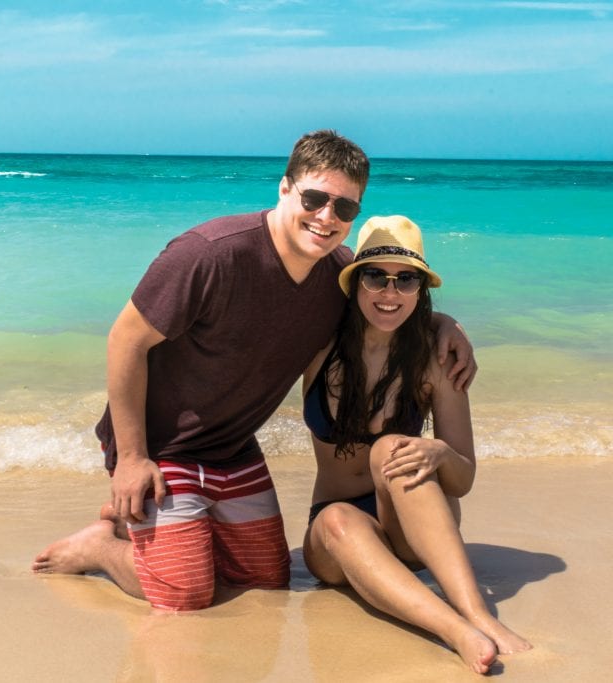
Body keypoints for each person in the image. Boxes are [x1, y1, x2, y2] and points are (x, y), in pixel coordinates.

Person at [32, 130, 476, 612]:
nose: (327, 217)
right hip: (162, 446)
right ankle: (101, 545)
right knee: (186, 592)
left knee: (267, 580)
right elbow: (125, 340)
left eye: (345, 208)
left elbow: (388, 295)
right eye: (314, 198)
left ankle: (174, 533)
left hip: (234, 449)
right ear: (285, 188)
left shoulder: (337, 273)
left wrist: (442, 321)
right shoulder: (209, 253)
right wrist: (133, 458)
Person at [301, 215, 531, 675]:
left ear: (422, 289)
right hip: (334, 538)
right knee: (338, 519)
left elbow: (462, 480)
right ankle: (455, 631)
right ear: (355, 283)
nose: (390, 293)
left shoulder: (436, 358)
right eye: (375, 277)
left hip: (409, 527)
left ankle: (476, 614)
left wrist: (441, 453)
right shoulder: (316, 344)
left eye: (405, 279)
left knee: (392, 449)